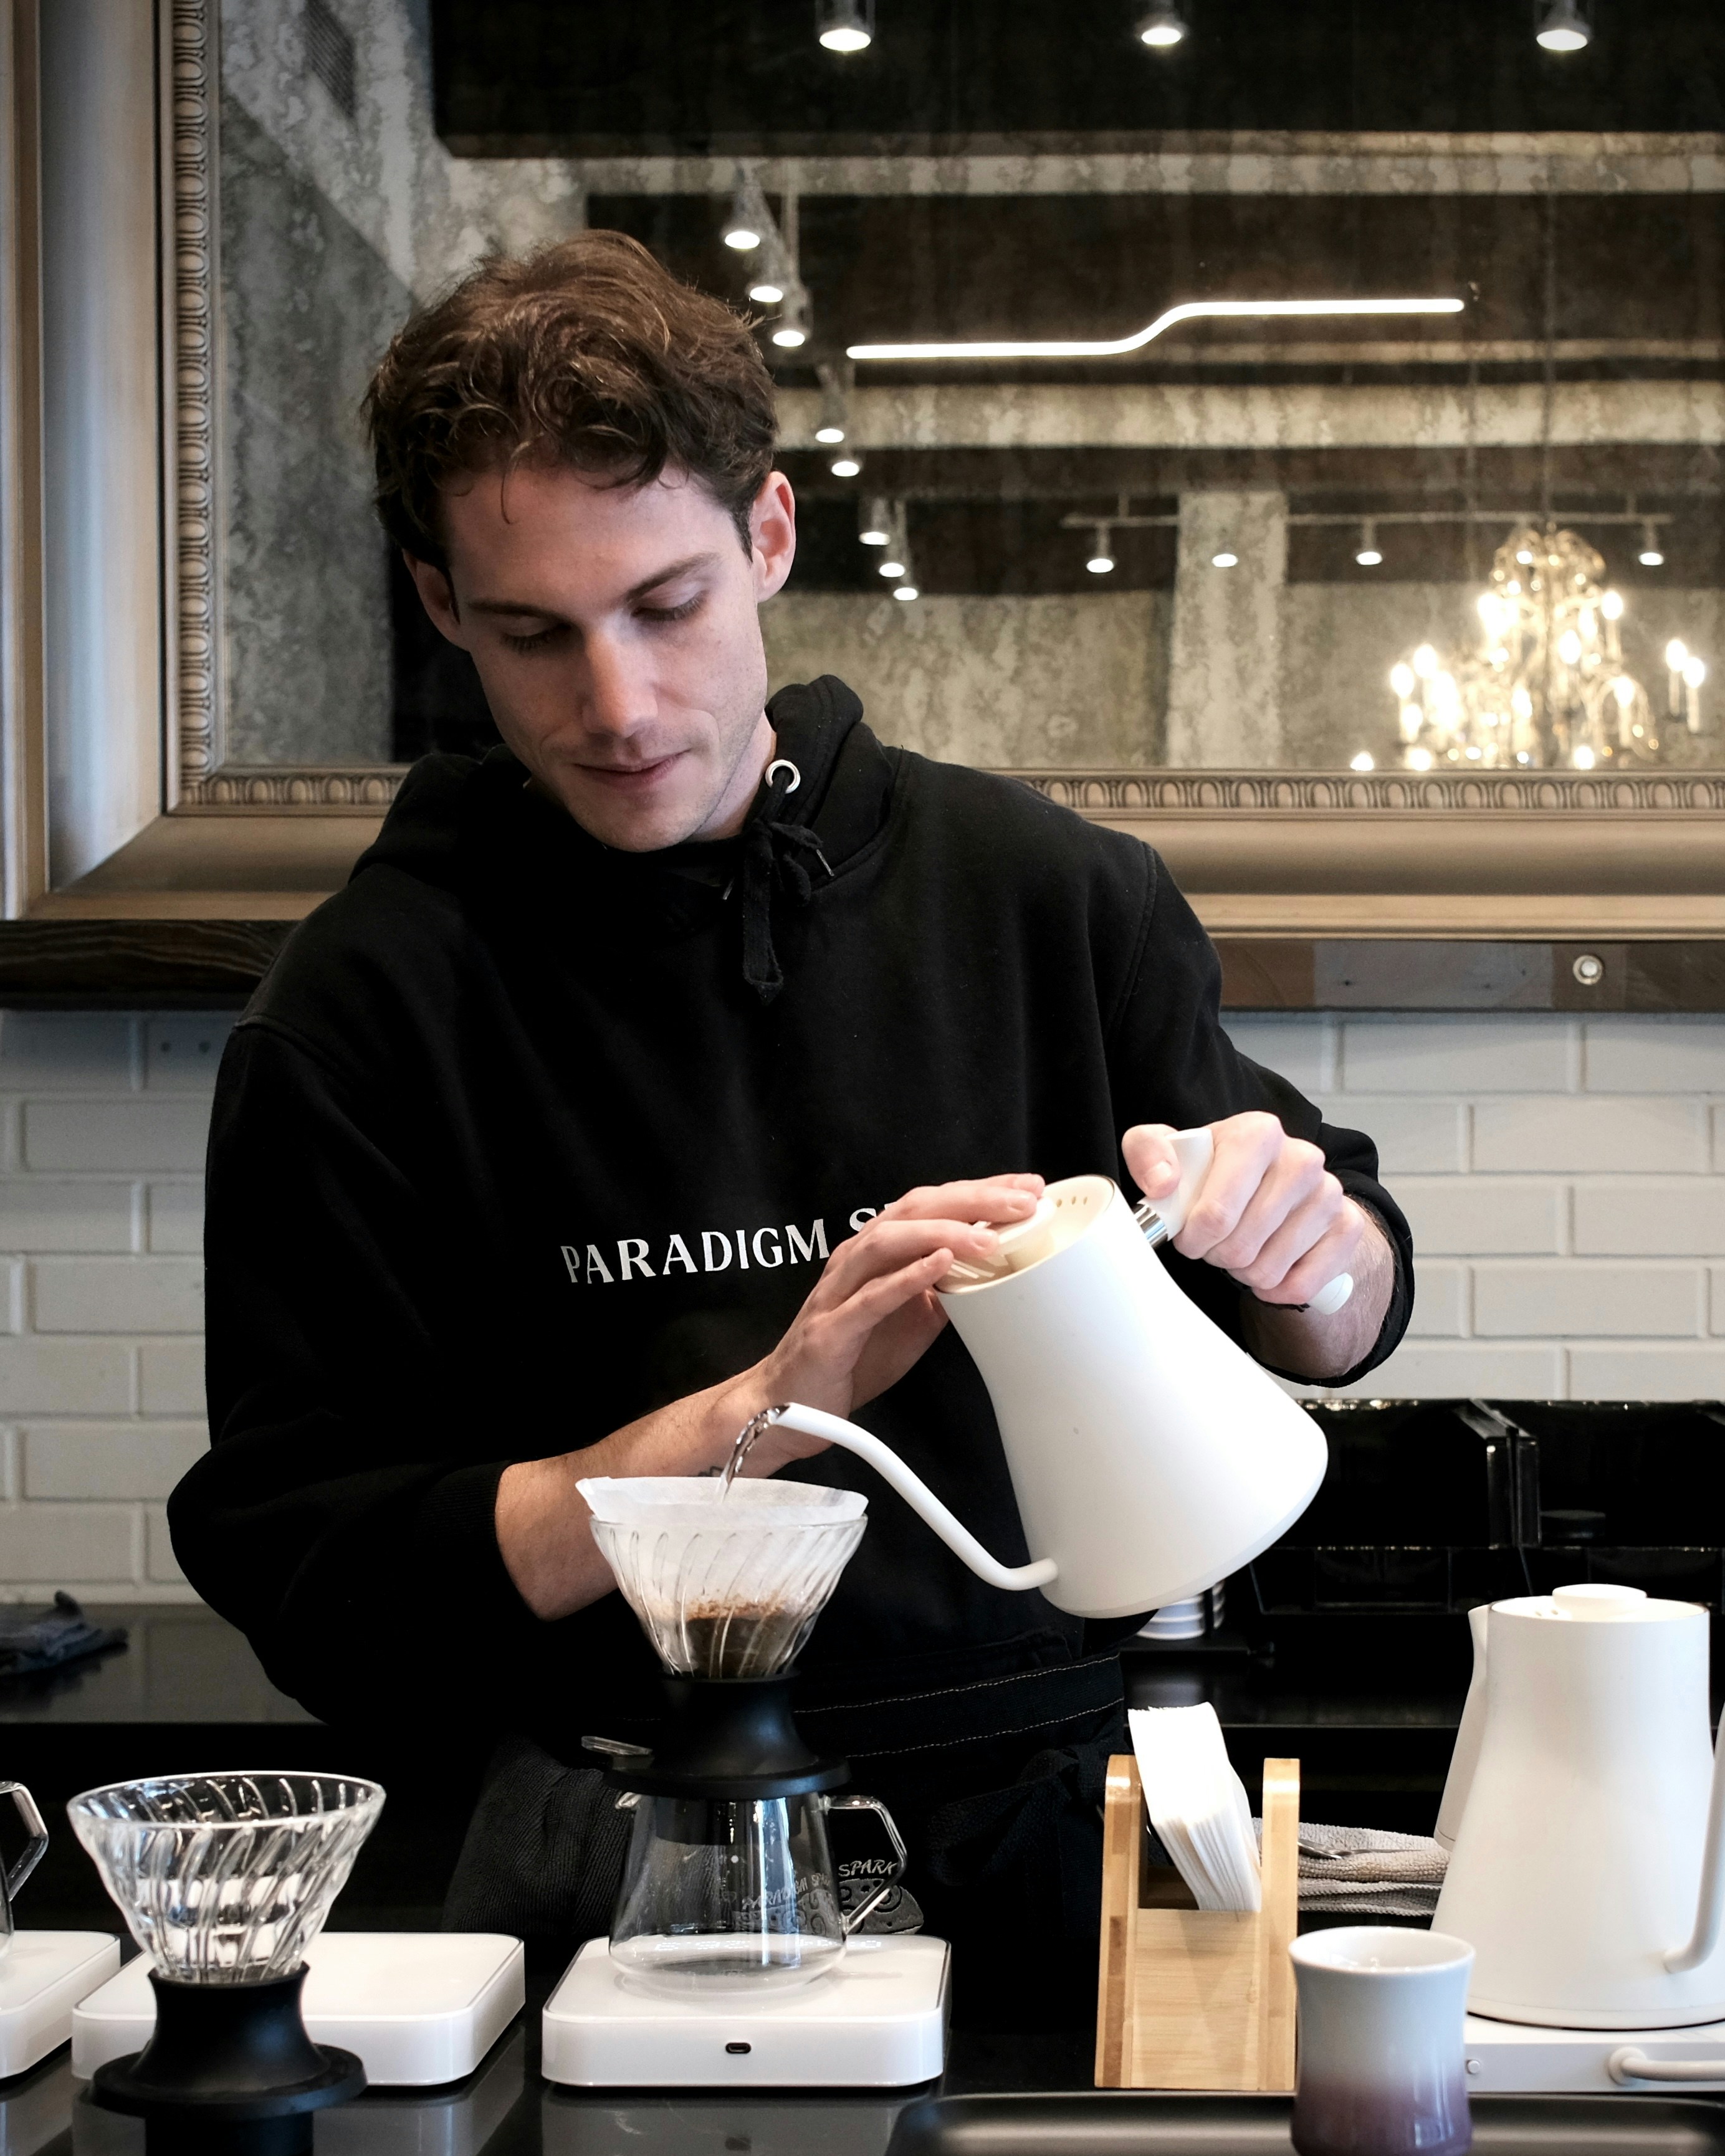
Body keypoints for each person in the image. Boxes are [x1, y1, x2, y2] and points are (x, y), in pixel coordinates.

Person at [168, 232, 1412, 2020]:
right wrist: (755, 1420)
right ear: (443, 608)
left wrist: (1311, 1244)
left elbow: (1343, 1311)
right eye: (532, 633)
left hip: (1081, 1825)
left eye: (664, 604)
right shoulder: (362, 1008)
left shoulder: (1047, 896)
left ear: (766, 538)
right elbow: (310, 1565)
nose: (614, 704)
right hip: (609, 1854)